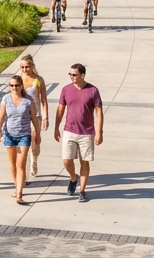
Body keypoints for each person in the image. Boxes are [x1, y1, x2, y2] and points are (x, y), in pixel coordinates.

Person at [54, 63, 104, 202]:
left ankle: (82, 191)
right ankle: (73, 178)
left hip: (87, 132)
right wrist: (56, 127)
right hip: (69, 130)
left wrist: (99, 132)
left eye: (74, 75)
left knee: (84, 162)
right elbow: (60, 110)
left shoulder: (93, 90)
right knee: (66, 160)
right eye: (70, 74)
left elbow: (99, 112)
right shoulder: (66, 89)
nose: (71, 77)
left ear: (83, 75)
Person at [0, 74, 41, 204]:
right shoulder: (5, 99)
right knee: (12, 164)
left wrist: (37, 134)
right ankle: (16, 186)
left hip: (24, 136)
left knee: (20, 165)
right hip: (9, 135)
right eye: (11, 85)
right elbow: (1, 117)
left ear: (21, 86)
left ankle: (19, 194)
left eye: (16, 85)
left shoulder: (28, 100)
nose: (14, 88)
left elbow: (34, 118)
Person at [17, 54, 50, 177]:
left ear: (32, 66)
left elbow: (43, 100)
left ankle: (34, 161)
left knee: (35, 141)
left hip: (35, 115)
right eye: (22, 67)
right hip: (21, 115)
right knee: (22, 143)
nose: (25, 69)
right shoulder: (18, 79)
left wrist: (45, 116)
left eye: (27, 67)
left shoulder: (38, 80)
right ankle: (22, 169)